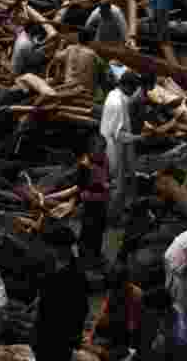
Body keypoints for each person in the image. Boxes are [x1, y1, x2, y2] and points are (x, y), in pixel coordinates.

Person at [32, 225, 88, 361]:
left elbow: (80, 308)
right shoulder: (52, 264)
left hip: (59, 333)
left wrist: (74, 335)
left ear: (62, 248)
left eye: (52, 246)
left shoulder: (75, 275)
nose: (49, 250)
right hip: (44, 329)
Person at [101, 73, 143, 226]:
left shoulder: (112, 94)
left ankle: (110, 215)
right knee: (117, 186)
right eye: (133, 89)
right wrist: (139, 138)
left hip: (106, 143)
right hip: (115, 147)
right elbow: (119, 134)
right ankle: (113, 219)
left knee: (112, 183)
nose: (133, 93)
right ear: (127, 86)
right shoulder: (120, 104)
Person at [76, 132, 110, 263]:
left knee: (99, 229)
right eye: (99, 150)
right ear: (90, 149)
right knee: (88, 230)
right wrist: (102, 190)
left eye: (104, 149)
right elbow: (82, 193)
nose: (102, 153)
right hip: (90, 205)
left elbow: (106, 177)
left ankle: (96, 255)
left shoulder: (104, 159)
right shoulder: (84, 165)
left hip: (102, 203)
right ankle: (84, 257)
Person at [53, 28, 101, 93]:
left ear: (78, 38)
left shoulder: (70, 49)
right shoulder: (92, 54)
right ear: (90, 40)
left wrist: (61, 44)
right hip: (85, 90)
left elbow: (56, 57)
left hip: (68, 86)